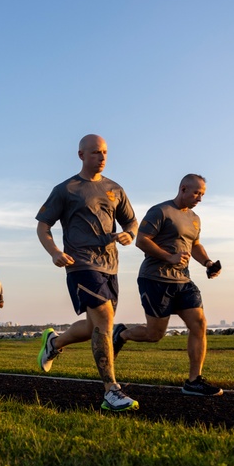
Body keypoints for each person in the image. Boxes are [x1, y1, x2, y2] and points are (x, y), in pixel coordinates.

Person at [35, 134, 139, 412]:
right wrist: (55, 252)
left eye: (104, 152)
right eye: (95, 152)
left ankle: (54, 342)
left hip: (111, 266)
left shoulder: (114, 189)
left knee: (96, 328)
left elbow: (131, 221)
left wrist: (129, 234)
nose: (102, 157)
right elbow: (43, 226)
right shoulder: (66, 189)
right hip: (80, 264)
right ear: (81, 155)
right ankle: (111, 392)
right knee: (104, 320)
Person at [113, 174, 224, 397]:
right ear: (183, 189)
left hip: (183, 280)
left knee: (199, 324)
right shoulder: (160, 211)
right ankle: (122, 334)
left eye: (202, 194)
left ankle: (194, 381)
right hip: (155, 279)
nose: (199, 198)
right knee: (155, 334)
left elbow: (195, 245)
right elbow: (142, 240)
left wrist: (208, 263)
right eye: (196, 193)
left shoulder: (194, 218)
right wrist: (169, 257)